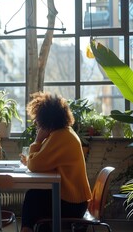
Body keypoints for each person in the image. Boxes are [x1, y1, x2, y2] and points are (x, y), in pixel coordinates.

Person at [20, 92, 92, 232]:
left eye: (38, 119)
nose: (36, 123)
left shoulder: (60, 137)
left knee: (32, 197)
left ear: (47, 119)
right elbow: (42, 161)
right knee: (35, 196)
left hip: (72, 204)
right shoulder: (63, 132)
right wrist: (33, 157)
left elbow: (35, 165)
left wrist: (37, 140)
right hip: (73, 199)